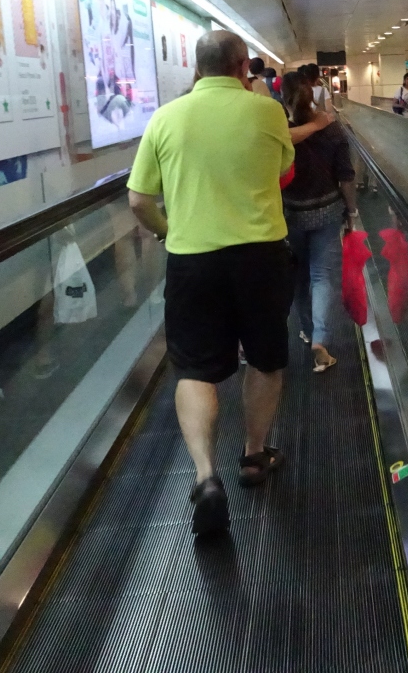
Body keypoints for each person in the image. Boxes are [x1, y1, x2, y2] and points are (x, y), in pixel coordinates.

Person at [126, 29, 296, 539]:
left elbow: (138, 200)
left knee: (195, 369)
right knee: (264, 358)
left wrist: (168, 231)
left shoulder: (164, 118)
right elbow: (283, 168)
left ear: (196, 69)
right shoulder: (267, 112)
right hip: (260, 256)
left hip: (192, 259)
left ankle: (205, 477)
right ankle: (254, 455)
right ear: (244, 67)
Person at [280, 71, 358, 373]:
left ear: (283, 98)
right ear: (311, 94)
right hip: (327, 211)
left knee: (299, 277)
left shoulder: (281, 132)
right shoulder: (332, 129)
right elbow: (346, 176)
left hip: (291, 214)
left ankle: (308, 330)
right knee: (322, 276)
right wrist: (351, 211)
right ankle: (321, 339)